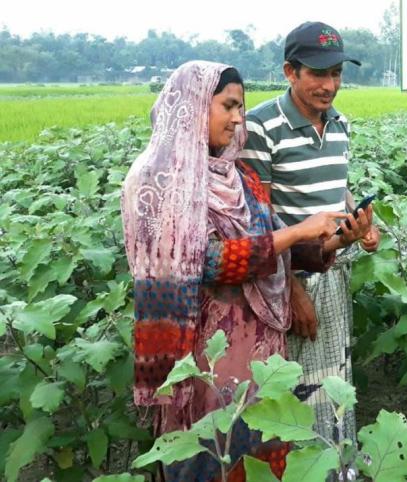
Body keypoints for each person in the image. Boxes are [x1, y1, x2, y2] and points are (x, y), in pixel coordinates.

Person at [121, 60, 352, 481]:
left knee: (262, 447)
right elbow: (206, 261)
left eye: (241, 108)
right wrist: (298, 230)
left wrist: (336, 239)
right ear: (192, 106)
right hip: (206, 352)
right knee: (215, 451)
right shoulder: (159, 179)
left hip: (262, 349)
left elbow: (276, 246)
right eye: (228, 106)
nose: (237, 119)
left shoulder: (239, 174)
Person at [240, 21, 379, 445]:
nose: (329, 84)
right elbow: (254, 221)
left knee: (332, 382)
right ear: (290, 72)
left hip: (330, 270)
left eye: (336, 73)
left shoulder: (340, 124)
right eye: (318, 73)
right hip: (281, 283)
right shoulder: (259, 127)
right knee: (289, 394)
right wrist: (293, 292)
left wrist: (359, 226)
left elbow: (339, 189)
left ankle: (332, 461)